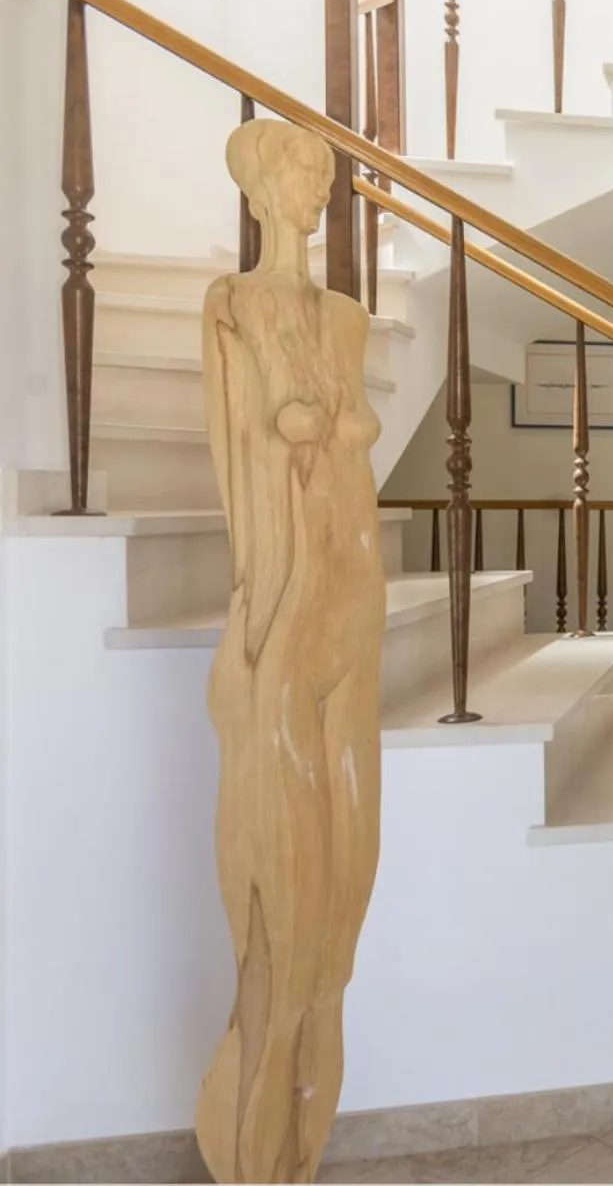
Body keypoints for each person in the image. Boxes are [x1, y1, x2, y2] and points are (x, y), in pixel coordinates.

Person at [195, 119, 385, 1183]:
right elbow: (240, 460)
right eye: (298, 174)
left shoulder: (349, 319)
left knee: (348, 867)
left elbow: (344, 428)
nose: (313, 191)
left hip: (353, 590)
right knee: (280, 880)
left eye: (321, 174)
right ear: (259, 185)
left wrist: (328, 424)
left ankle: (309, 1098)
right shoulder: (234, 306)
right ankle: (257, 1116)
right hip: (277, 602)